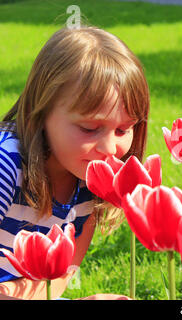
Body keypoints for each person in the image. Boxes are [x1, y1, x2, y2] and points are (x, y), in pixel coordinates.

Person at [0, 25, 150, 299]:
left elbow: (54, 284)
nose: (109, 149)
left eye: (123, 130)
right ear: (39, 115)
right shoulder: (6, 165)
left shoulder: (90, 183)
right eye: (90, 129)